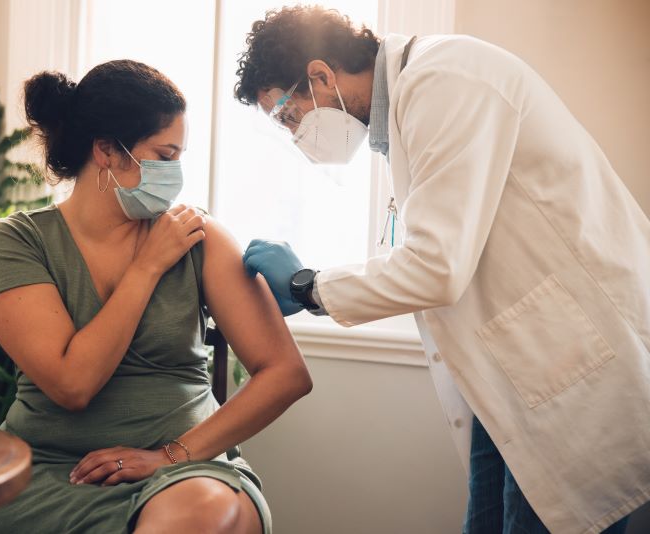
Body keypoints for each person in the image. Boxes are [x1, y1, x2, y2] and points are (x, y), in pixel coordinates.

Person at [234, 6, 648, 534]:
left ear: (320, 76)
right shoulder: (412, 106)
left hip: (571, 363)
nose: (296, 135)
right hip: (516, 376)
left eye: (289, 116)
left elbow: (436, 267)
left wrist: (308, 287)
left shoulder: (443, 80)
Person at [0, 59, 312, 534]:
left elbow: (286, 374)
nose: (177, 175)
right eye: (165, 155)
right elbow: (73, 385)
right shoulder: (14, 241)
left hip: (184, 470)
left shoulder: (200, 237)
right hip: (49, 471)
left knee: (205, 514)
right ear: (108, 150)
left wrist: (169, 456)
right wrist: (148, 266)